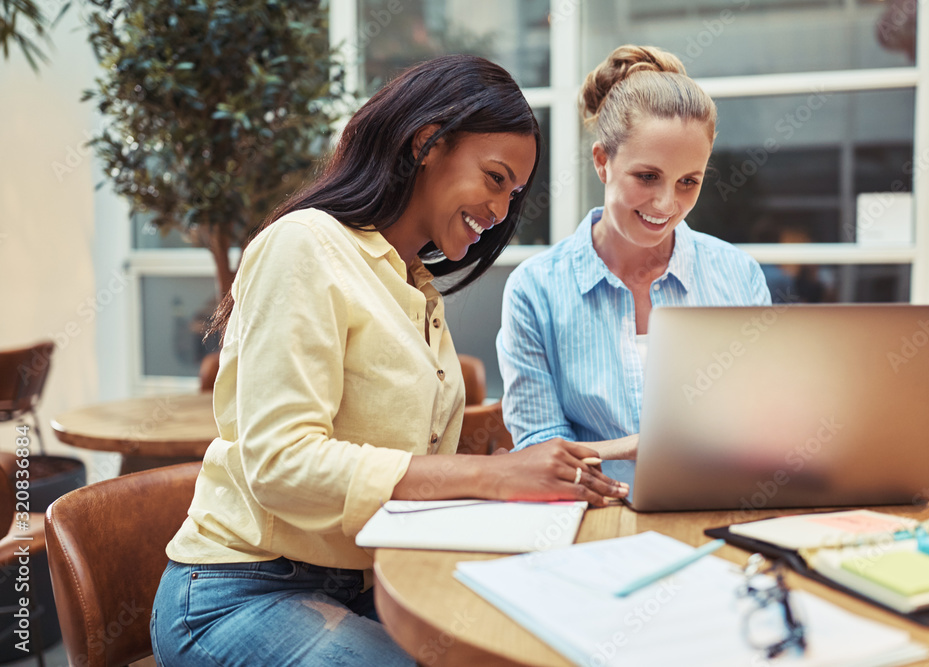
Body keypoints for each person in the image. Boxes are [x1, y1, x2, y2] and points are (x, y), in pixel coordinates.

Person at [151, 54, 628, 667]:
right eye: (494, 177)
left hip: (373, 585)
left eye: (514, 192)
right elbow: (281, 463)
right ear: (427, 142)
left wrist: (517, 480)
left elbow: (403, 474)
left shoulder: (415, 289)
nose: (502, 210)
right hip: (239, 594)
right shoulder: (306, 244)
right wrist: (490, 477)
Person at [497, 45, 771, 460]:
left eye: (688, 182)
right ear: (602, 162)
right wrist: (645, 448)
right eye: (647, 176)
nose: (666, 204)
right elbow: (540, 451)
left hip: (712, 511)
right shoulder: (535, 290)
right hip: (592, 516)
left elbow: (765, 421)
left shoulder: (738, 275)